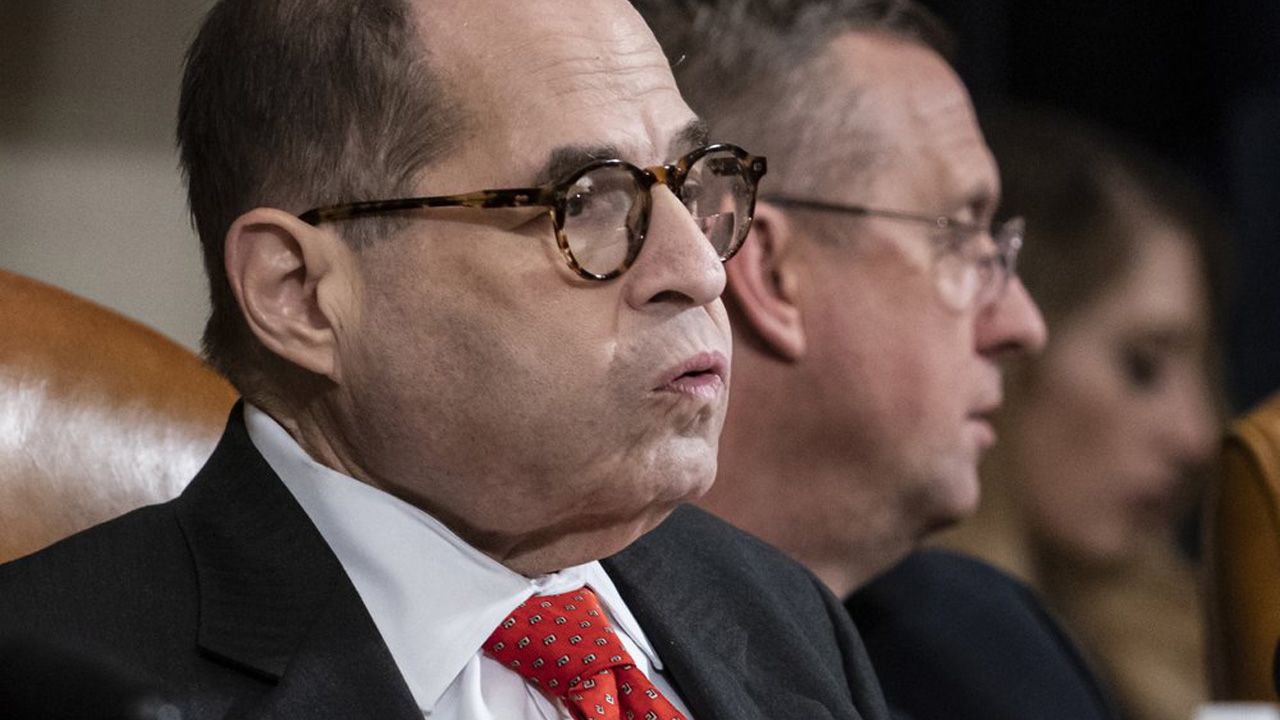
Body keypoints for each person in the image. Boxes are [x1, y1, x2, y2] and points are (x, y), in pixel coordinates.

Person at [0, 2, 893, 719]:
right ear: (299, 293)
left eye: (694, 182)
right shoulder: (64, 680)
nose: (698, 268)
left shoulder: (775, 609)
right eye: (586, 201)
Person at [634, 2, 1121, 719]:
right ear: (772, 271)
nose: (1023, 325)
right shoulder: (562, 660)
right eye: (960, 235)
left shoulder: (984, 651)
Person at [936, 109, 1225, 720]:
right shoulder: (894, 647)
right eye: (1142, 368)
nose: (1198, 437)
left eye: (1203, 370)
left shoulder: (1206, 644)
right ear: (1007, 343)